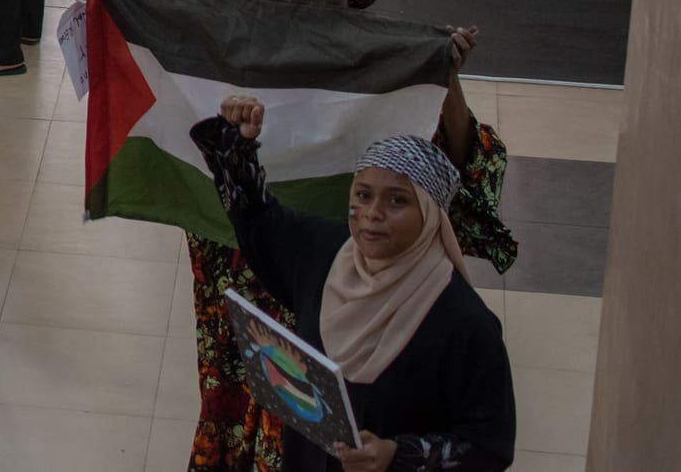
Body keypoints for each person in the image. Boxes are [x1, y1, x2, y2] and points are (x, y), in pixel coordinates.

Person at [74, 0, 516, 472]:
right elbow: (156, 44)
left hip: (328, 271)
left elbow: (465, 163)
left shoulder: (392, 61)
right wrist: (100, 0)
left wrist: (442, 77)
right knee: (245, 397)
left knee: (318, 415)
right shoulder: (240, 35)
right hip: (252, 258)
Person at [191, 99, 516, 472]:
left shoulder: (465, 323)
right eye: (363, 195)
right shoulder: (323, 255)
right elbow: (260, 222)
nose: (373, 213)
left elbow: (489, 446)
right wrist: (238, 142)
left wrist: (398, 454)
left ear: (429, 216)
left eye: (398, 200)